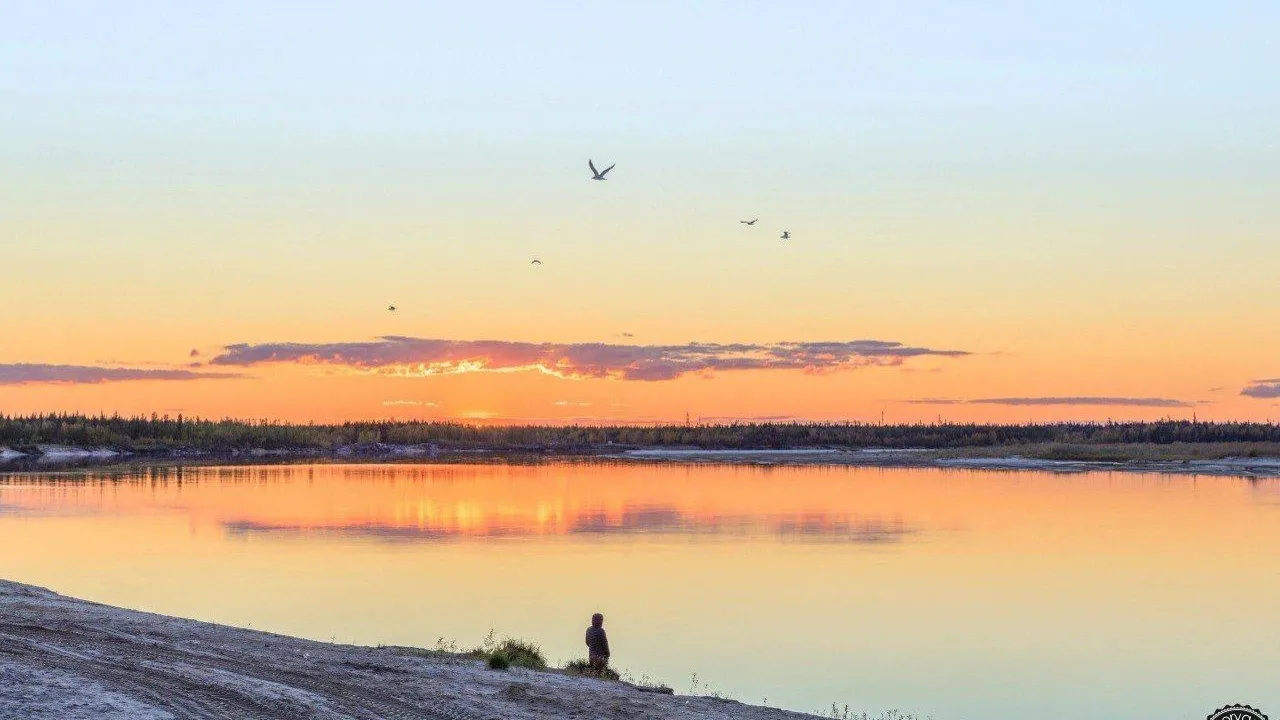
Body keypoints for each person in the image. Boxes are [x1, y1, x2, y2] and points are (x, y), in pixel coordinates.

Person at [585, 612, 610, 676]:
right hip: (600, 656)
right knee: (600, 672)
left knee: (593, 669)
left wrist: (592, 647)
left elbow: (587, 642)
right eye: (600, 620)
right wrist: (607, 653)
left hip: (591, 655)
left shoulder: (589, 630)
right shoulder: (601, 631)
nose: (601, 622)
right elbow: (605, 643)